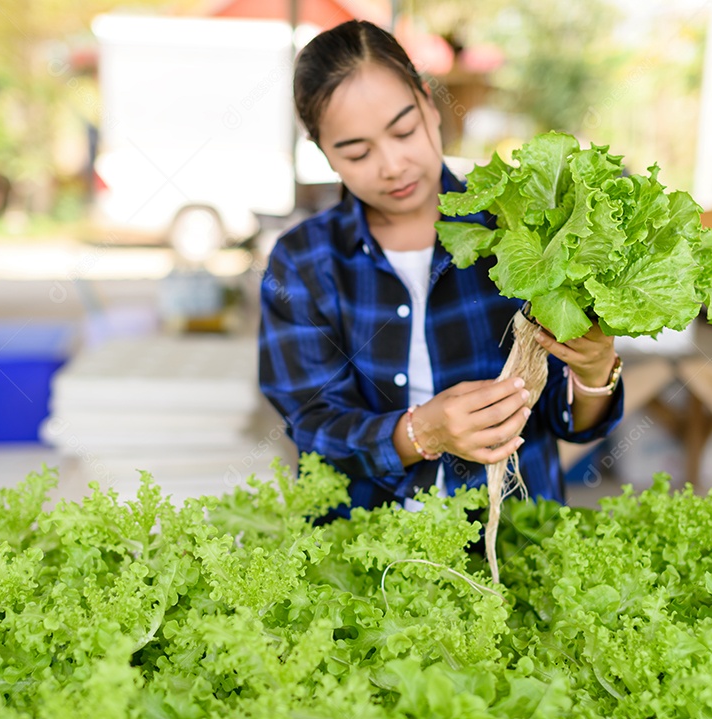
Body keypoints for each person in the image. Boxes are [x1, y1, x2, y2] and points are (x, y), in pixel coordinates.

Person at [258, 19, 624, 519]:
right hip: (362, 547)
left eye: (404, 130)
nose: (392, 165)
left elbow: (576, 423)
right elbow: (313, 425)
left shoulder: (520, 227)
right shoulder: (304, 259)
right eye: (357, 151)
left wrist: (594, 373)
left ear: (430, 106)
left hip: (514, 537)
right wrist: (419, 432)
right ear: (326, 154)